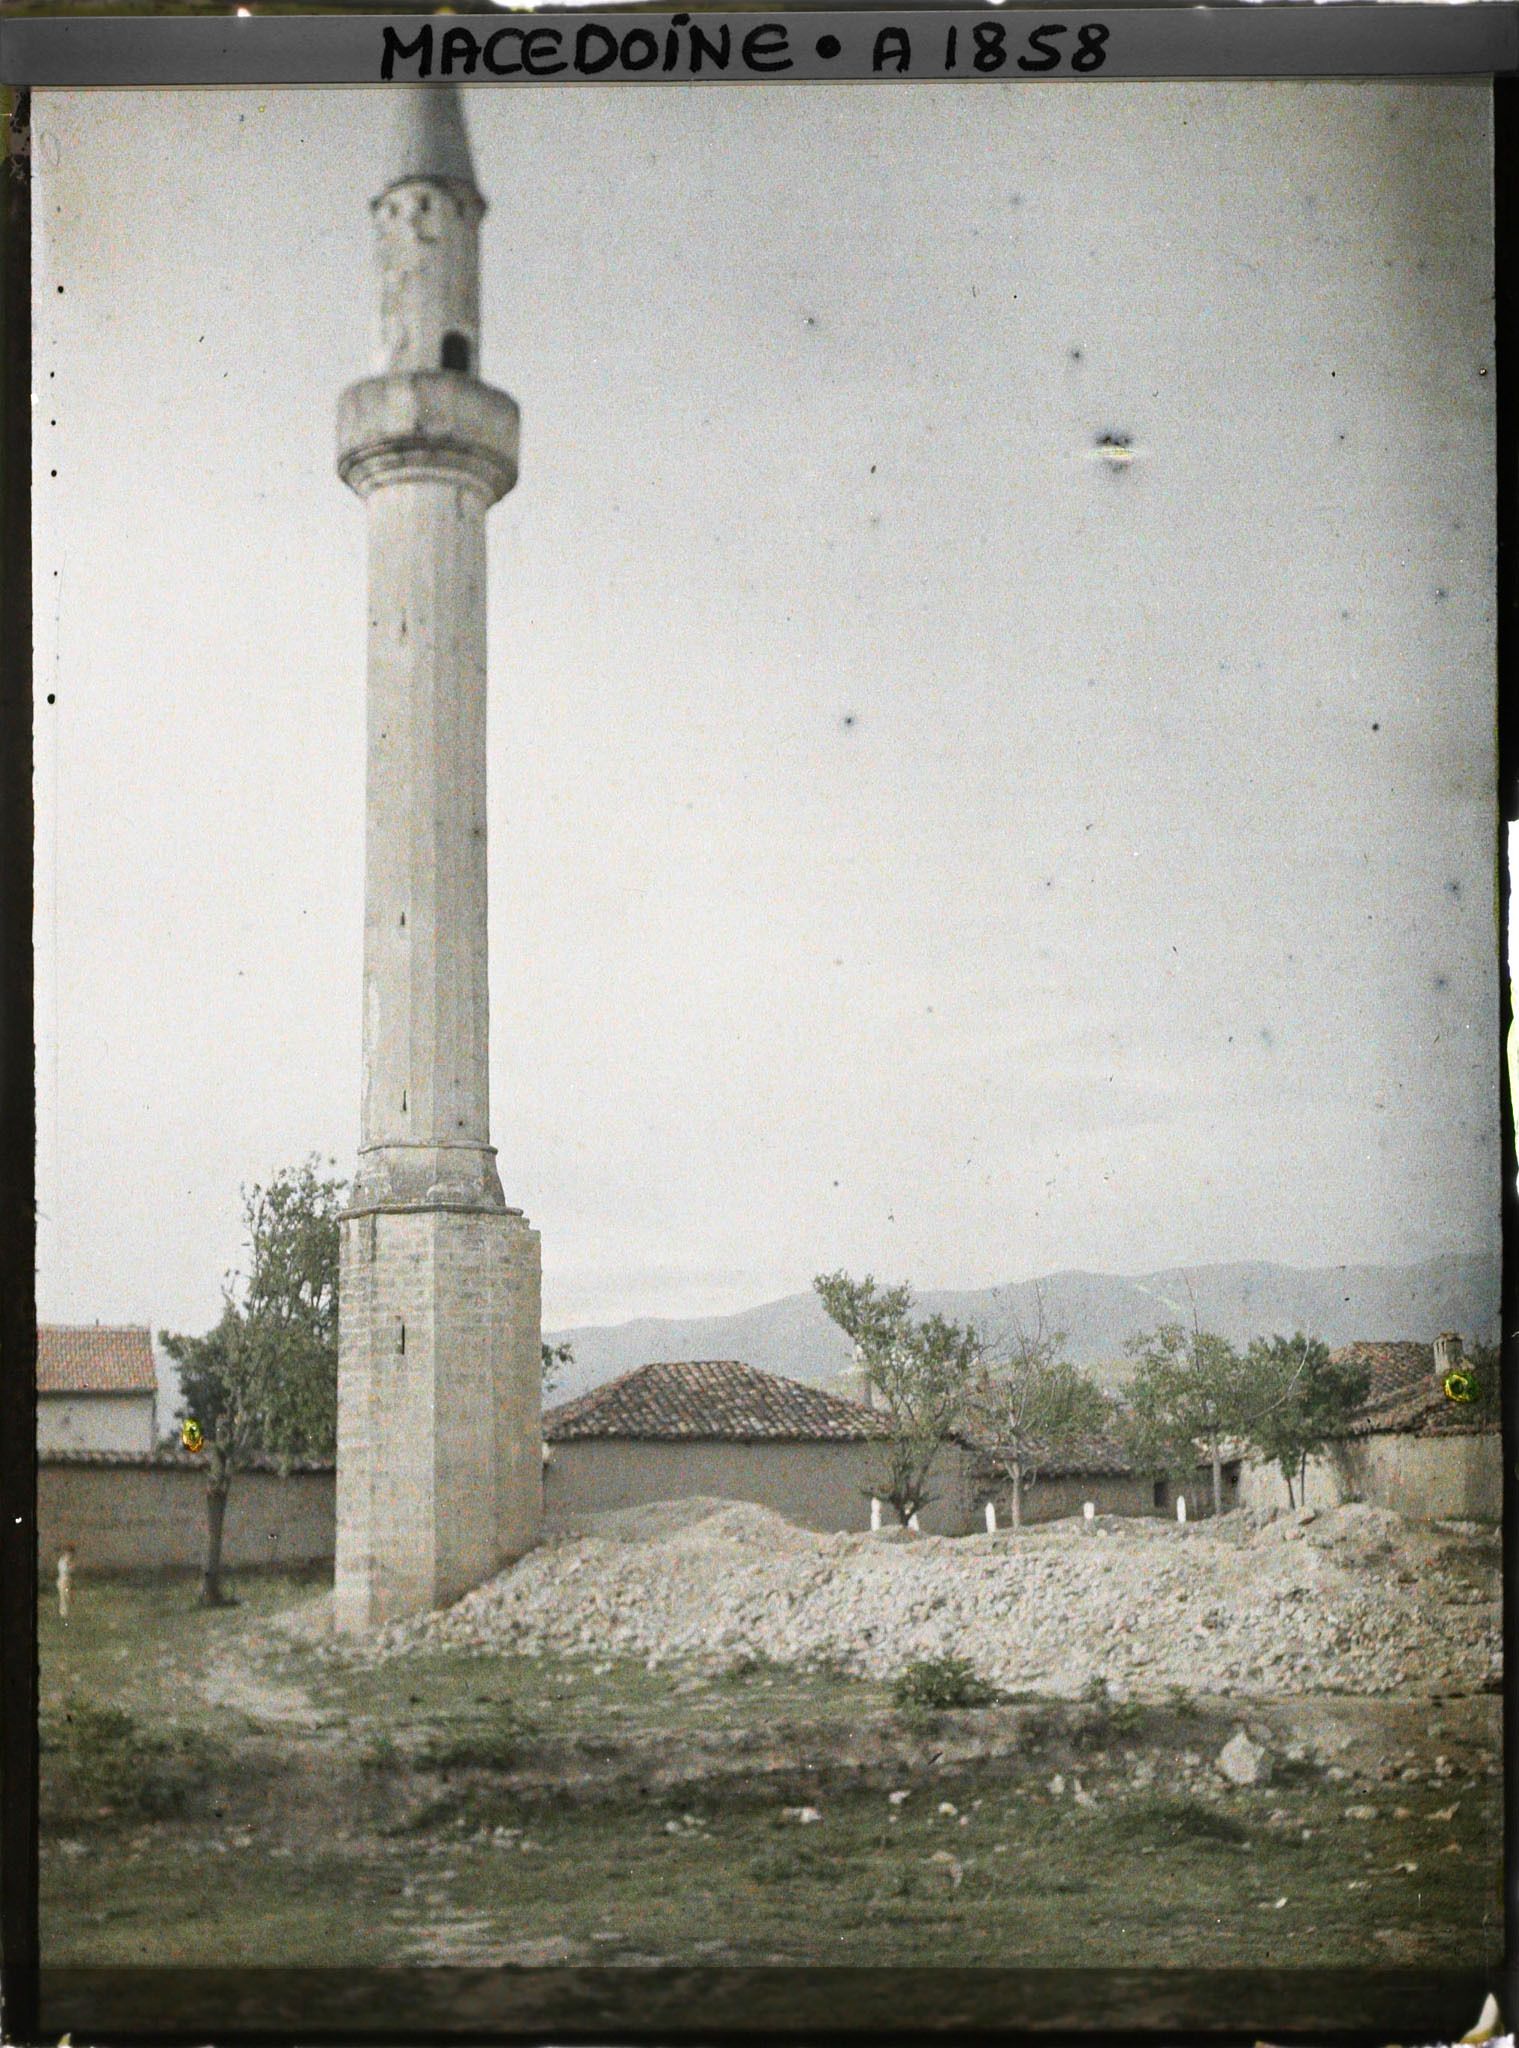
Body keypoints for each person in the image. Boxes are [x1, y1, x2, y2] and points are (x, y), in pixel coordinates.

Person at [56, 1543, 75, 1622]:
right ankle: (65, 1615)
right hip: (64, 1580)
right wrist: (71, 1567)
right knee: (65, 1597)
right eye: (70, 1553)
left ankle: (66, 1614)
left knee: (67, 1597)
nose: (71, 1555)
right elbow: (67, 1570)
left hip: (65, 1580)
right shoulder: (65, 1561)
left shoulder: (64, 1560)